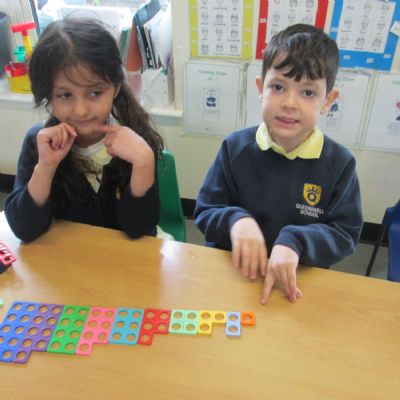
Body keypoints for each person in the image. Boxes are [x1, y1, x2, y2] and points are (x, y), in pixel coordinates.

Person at [194, 24, 363, 304]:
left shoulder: (339, 164)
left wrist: (297, 242)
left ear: (328, 101)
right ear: (261, 88)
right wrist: (236, 221)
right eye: (278, 87)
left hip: (295, 284)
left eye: (308, 93)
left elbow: (345, 234)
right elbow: (205, 211)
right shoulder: (234, 148)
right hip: (235, 275)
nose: (289, 103)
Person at [5, 18, 164, 242]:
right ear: (48, 95)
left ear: (116, 87)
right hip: (68, 256)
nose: (81, 111)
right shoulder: (38, 143)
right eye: (65, 95)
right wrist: (46, 167)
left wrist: (144, 163)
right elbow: (24, 230)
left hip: (123, 256)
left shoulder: (137, 140)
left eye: (95, 93)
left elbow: (139, 229)